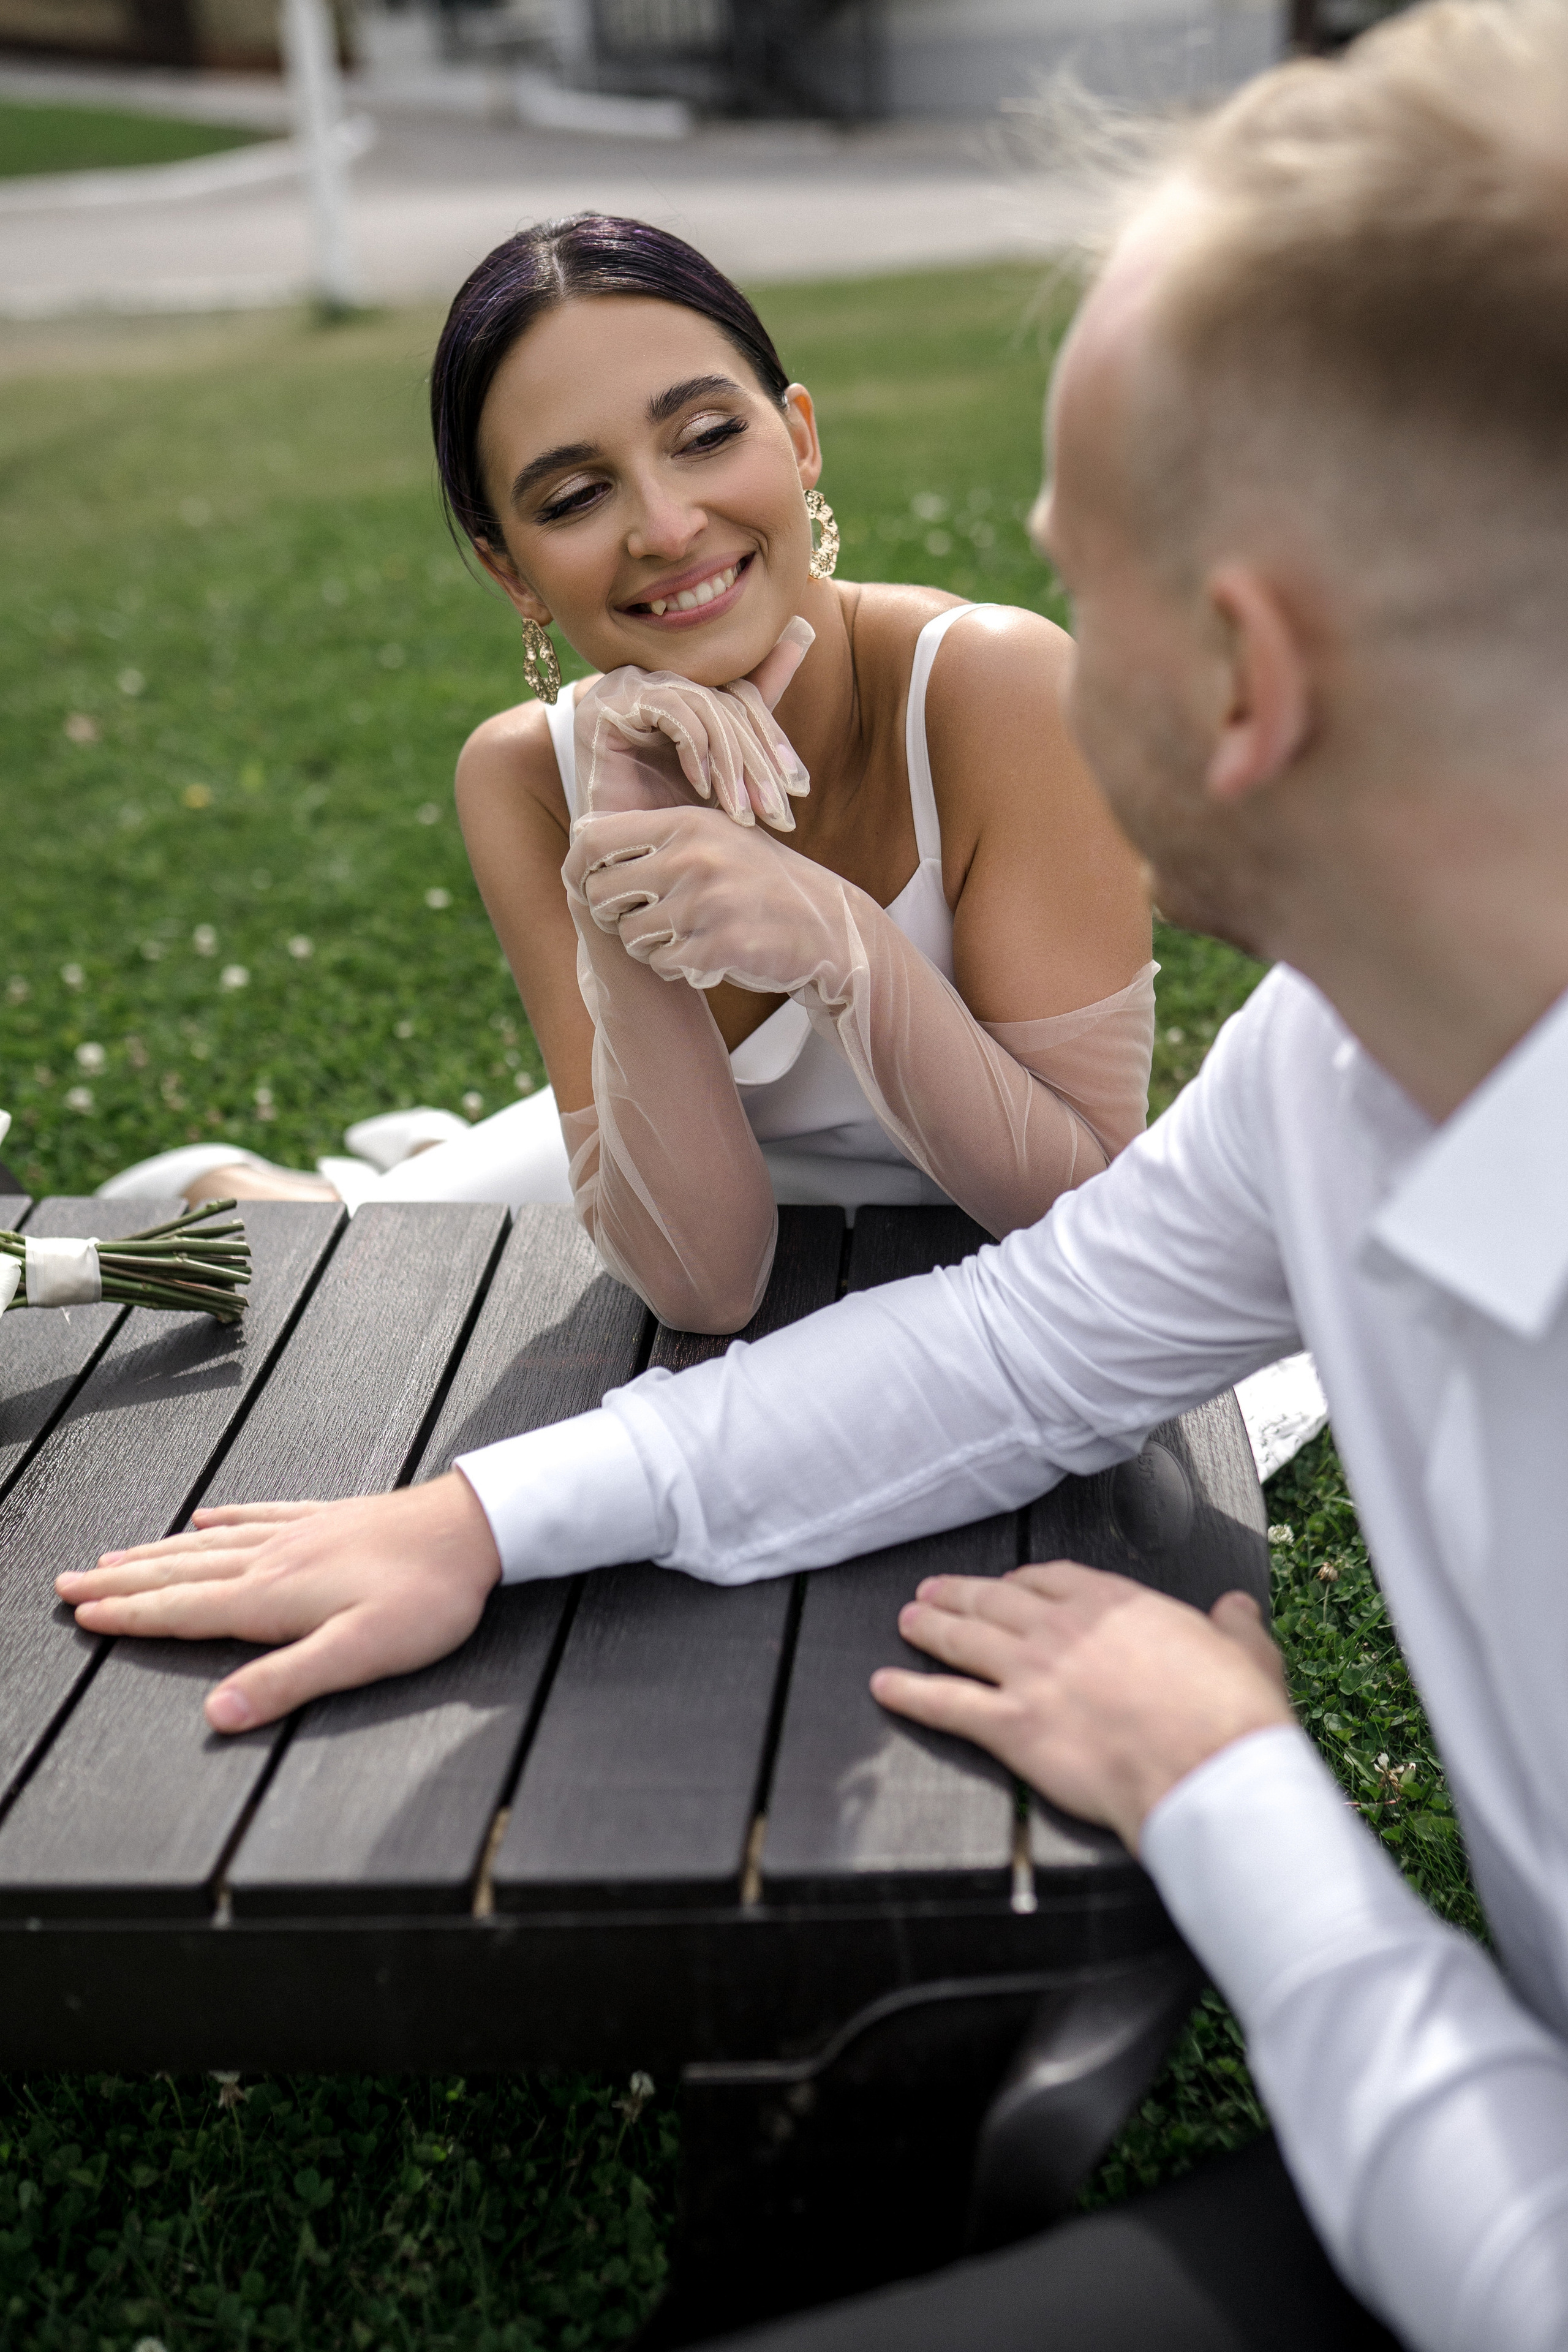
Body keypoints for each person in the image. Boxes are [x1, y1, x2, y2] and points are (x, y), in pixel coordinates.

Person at [56, 0, 1568, 2342]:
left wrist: (1248, 1812)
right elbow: (1022, 1340)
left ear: (1238, 676)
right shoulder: (1345, 1063)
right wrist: (481, 1518)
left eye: (1094, 566)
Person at [100, 216, 1155, 1335]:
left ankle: (428, 1150)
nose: (666, 525)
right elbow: (702, 1286)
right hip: (690, 1194)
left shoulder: (997, 688)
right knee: (350, 1245)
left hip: (995, 1268)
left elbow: (1092, 1210)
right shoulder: (526, 777)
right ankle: (262, 1180)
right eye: (572, 498)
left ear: (798, 438)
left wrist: (835, 941)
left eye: (705, 433)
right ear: (511, 568)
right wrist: (620, 865)